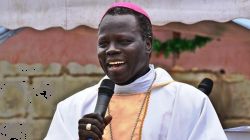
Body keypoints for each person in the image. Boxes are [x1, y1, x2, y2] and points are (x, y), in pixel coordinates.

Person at [45, 2, 227, 140]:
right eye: (103, 43)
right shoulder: (71, 108)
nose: (111, 50)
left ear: (148, 45)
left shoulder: (190, 102)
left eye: (123, 41)